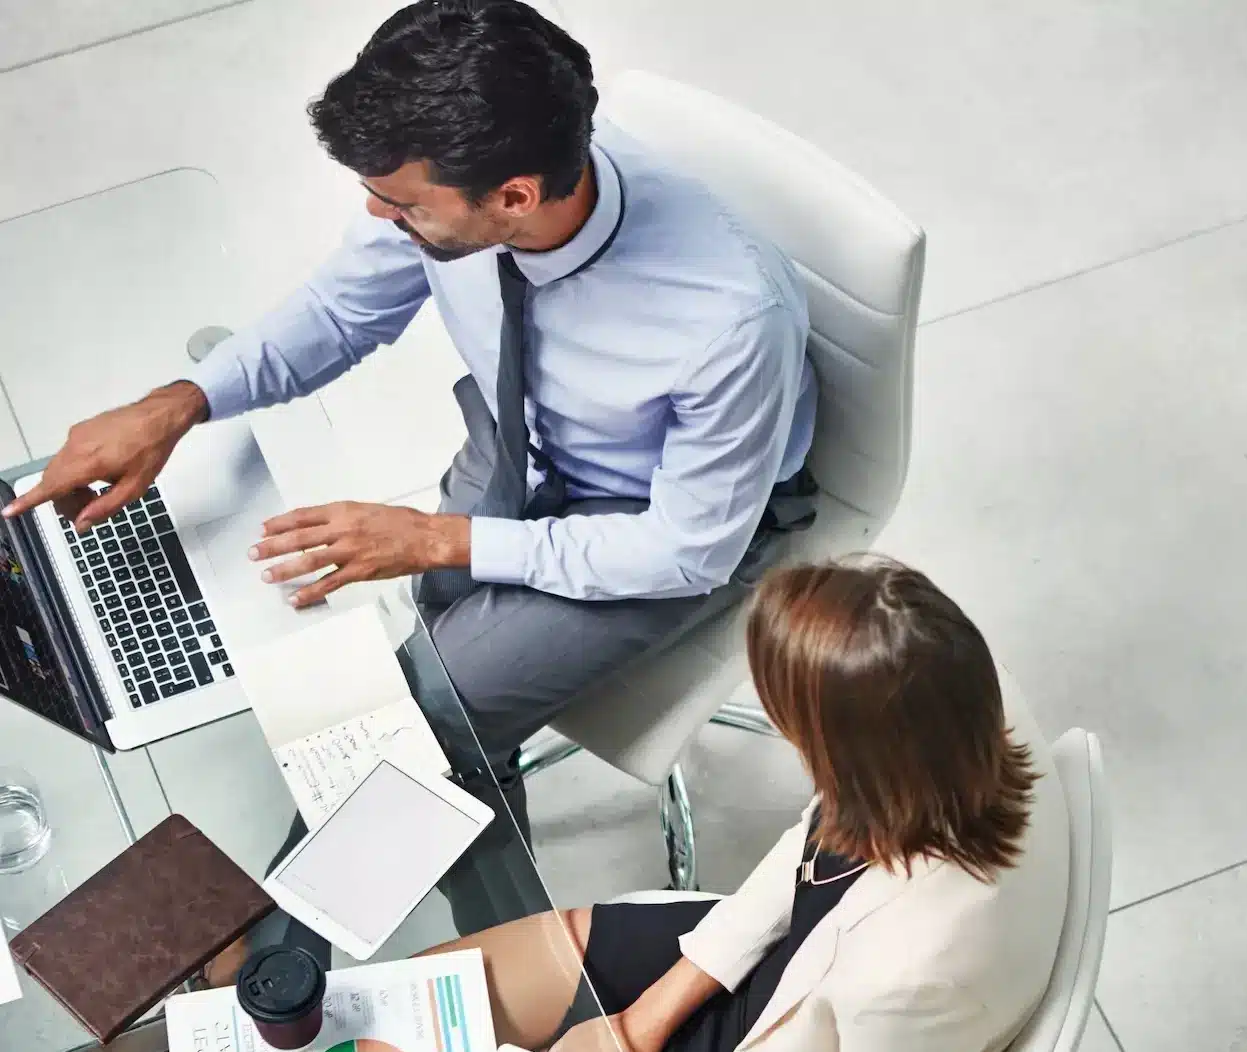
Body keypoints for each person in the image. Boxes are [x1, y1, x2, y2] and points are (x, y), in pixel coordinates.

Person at [1, 0, 817, 936]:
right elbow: (344, 314)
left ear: (513, 197)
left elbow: (686, 553)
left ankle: (266, 959)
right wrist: (177, 404)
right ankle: (467, 824)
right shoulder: (465, 187)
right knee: (426, 662)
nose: (375, 215)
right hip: (524, 444)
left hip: (654, 527)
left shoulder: (727, 322)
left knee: (414, 721)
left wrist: (437, 537)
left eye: (400, 203)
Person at [293, 558, 1071, 1052]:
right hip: (775, 971)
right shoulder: (947, 722)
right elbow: (816, 839)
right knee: (401, 1023)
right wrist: (644, 1019)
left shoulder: (914, 974)